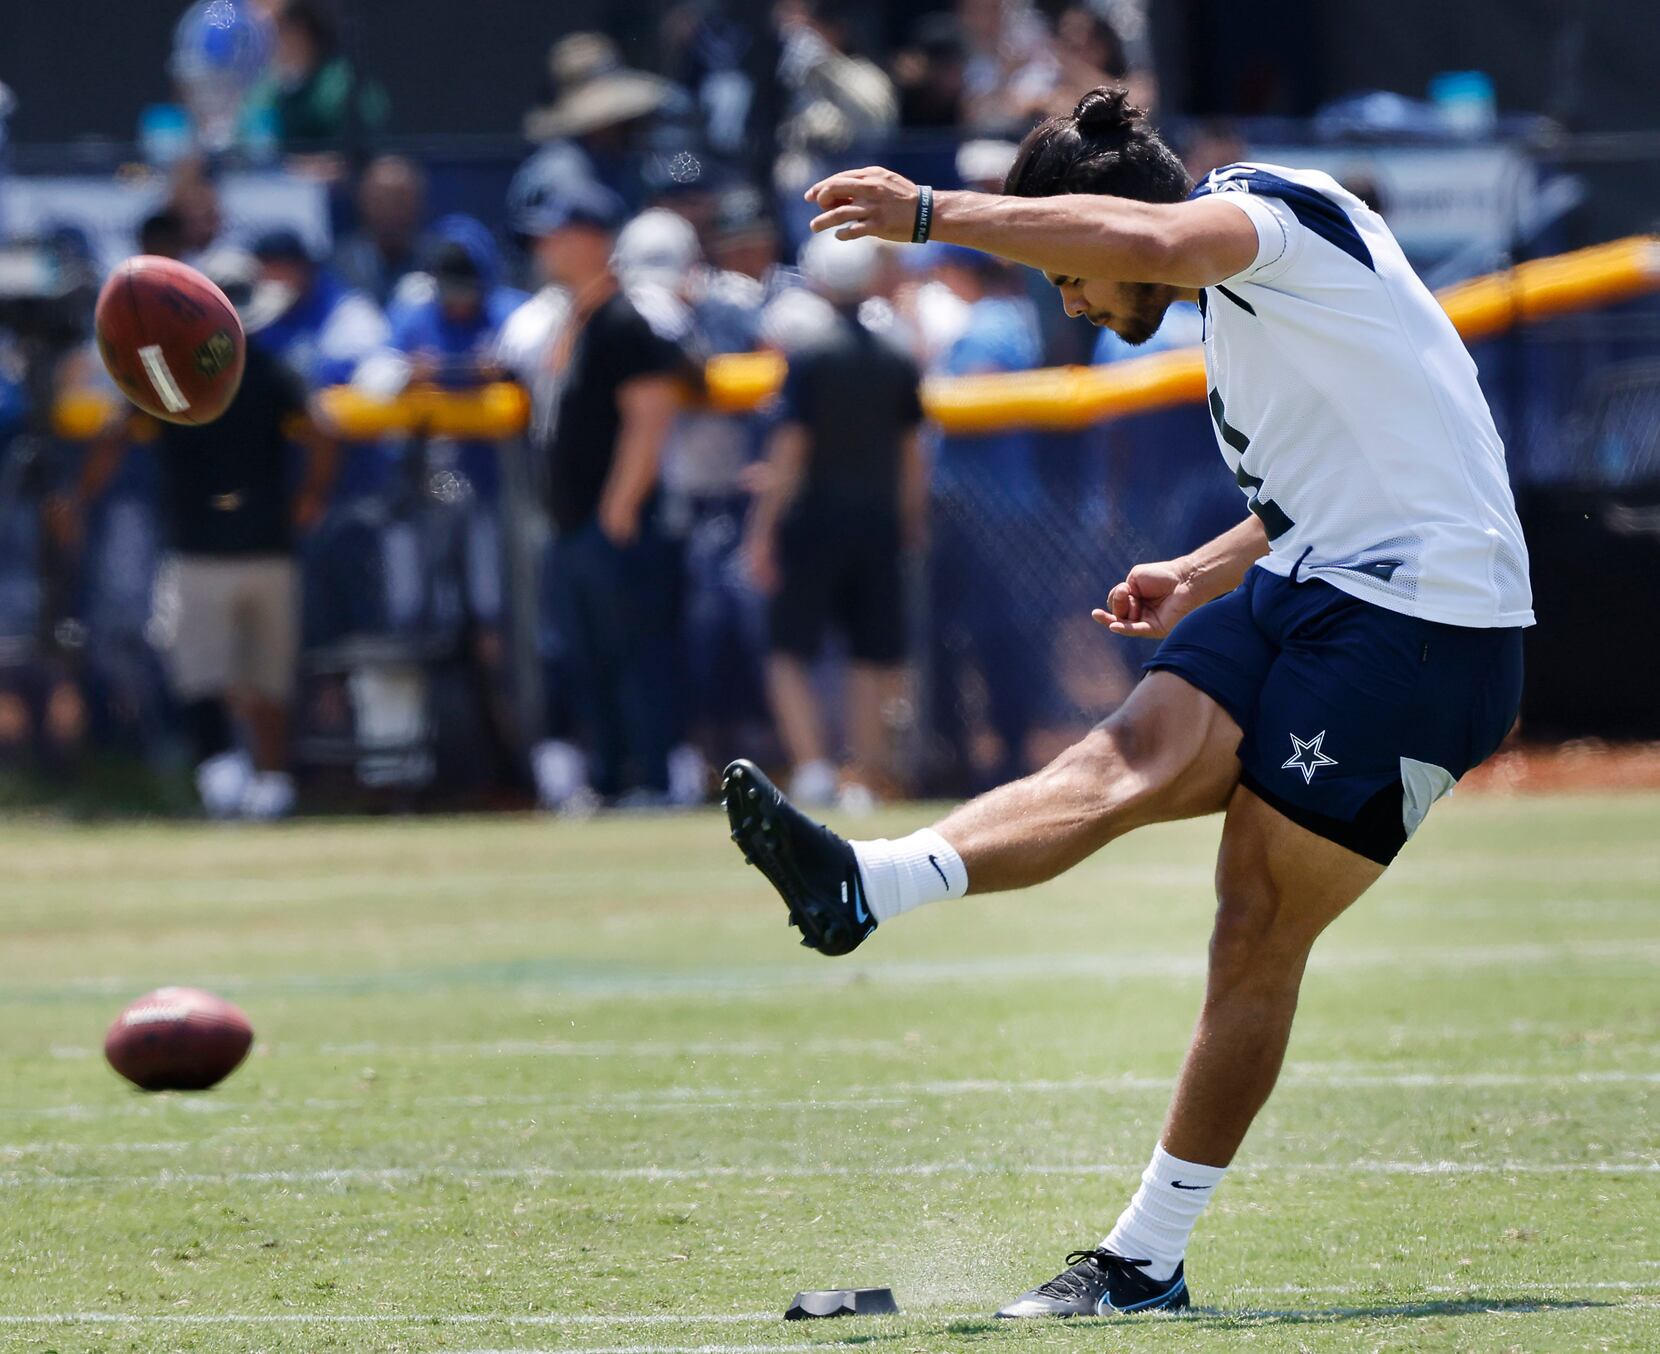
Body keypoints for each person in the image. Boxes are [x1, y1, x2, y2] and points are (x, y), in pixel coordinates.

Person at [722, 86, 1532, 1315]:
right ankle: (862, 883)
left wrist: (933, 212)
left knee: (1253, 916)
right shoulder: (1244, 307)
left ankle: (1144, 1259)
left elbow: (1143, 246)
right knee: (1122, 756)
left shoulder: (1262, 215)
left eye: (1067, 277)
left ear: (1101, 219)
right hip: (1317, 587)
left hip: (1430, 622)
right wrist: (1201, 570)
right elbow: (1336, 471)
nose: (1082, 311)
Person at [60, 251, 340, 819]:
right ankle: (269, 784)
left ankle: (226, 779)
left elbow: (116, 433)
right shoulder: (268, 365)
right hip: (264, 543)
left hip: (199, 549)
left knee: (202, 675)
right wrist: (310, 497)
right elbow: (324, 428)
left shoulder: (169, 369)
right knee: (264, 681)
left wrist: (79, 499)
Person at [513, 182, 692, 806]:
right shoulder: (577, 315)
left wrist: (618, 507)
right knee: (589, 659)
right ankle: (611, 778)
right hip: (572, 522)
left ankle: (652, 778)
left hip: (610, 522)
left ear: (595, 239)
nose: (545, 246)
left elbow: (651, 414)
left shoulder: (623, 319)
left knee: (632, 655)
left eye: (558, 233)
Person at [741, 232, 927, 808]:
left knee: (788, 649)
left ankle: (815, 767)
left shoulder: (810, 357)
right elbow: (911, 456)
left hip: (813, 522)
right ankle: (865, 778)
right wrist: (909, 520)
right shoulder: (896, 356)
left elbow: (792, 448)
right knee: (872, 655)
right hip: (876, 524)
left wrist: (762, 527)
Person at [247, 0, 389, 157]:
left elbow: (362, 157)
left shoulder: (342, 84)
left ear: (301, 30)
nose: (265, 39)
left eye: (274, 28)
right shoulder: (265, 88)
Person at [333, 155, 431, 308]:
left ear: (417, 202)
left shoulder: (435, 262)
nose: (390, 208)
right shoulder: (339, 266)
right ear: (363, 202)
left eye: (399, 199)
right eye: (380, 199)